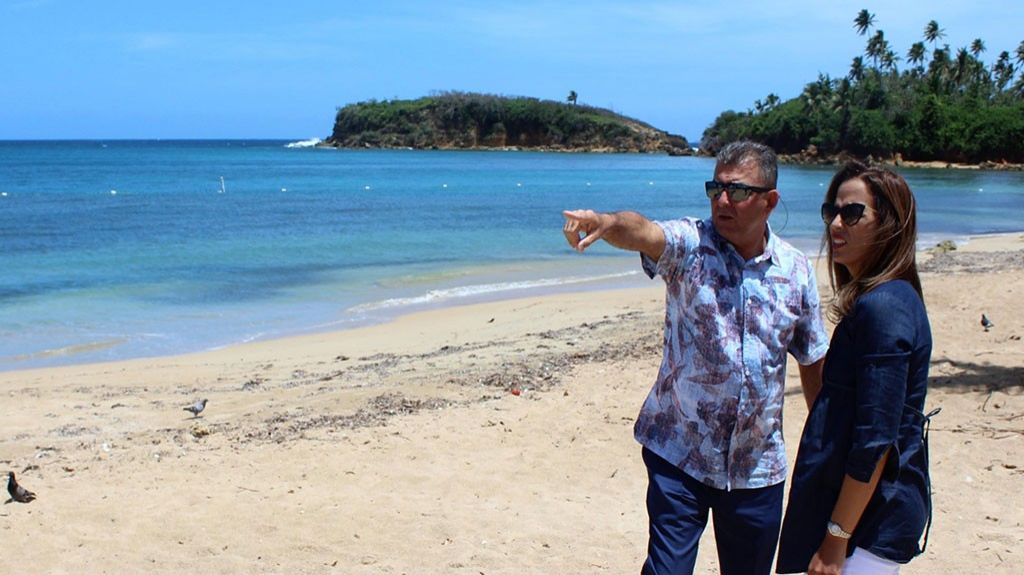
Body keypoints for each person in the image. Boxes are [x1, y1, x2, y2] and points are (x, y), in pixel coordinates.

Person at [562, 141, 829, 575]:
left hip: (756, 467)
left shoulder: (795, 271)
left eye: (737, 191)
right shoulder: (691, 246)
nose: (722, 201)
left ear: (769, 201)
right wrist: (607, 223)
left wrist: (823, 449)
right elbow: (645, 233)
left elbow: (813, 361)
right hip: (679, 453)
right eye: (715, 188)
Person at [776, 162, 935, 575]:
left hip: (867, 525)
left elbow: (876, 440)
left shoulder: (885, 308)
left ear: (889, 224)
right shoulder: (887, 300)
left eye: (852, 213)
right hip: (863, 517)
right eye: (831, 211)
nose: (835, 224)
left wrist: (836, 537)